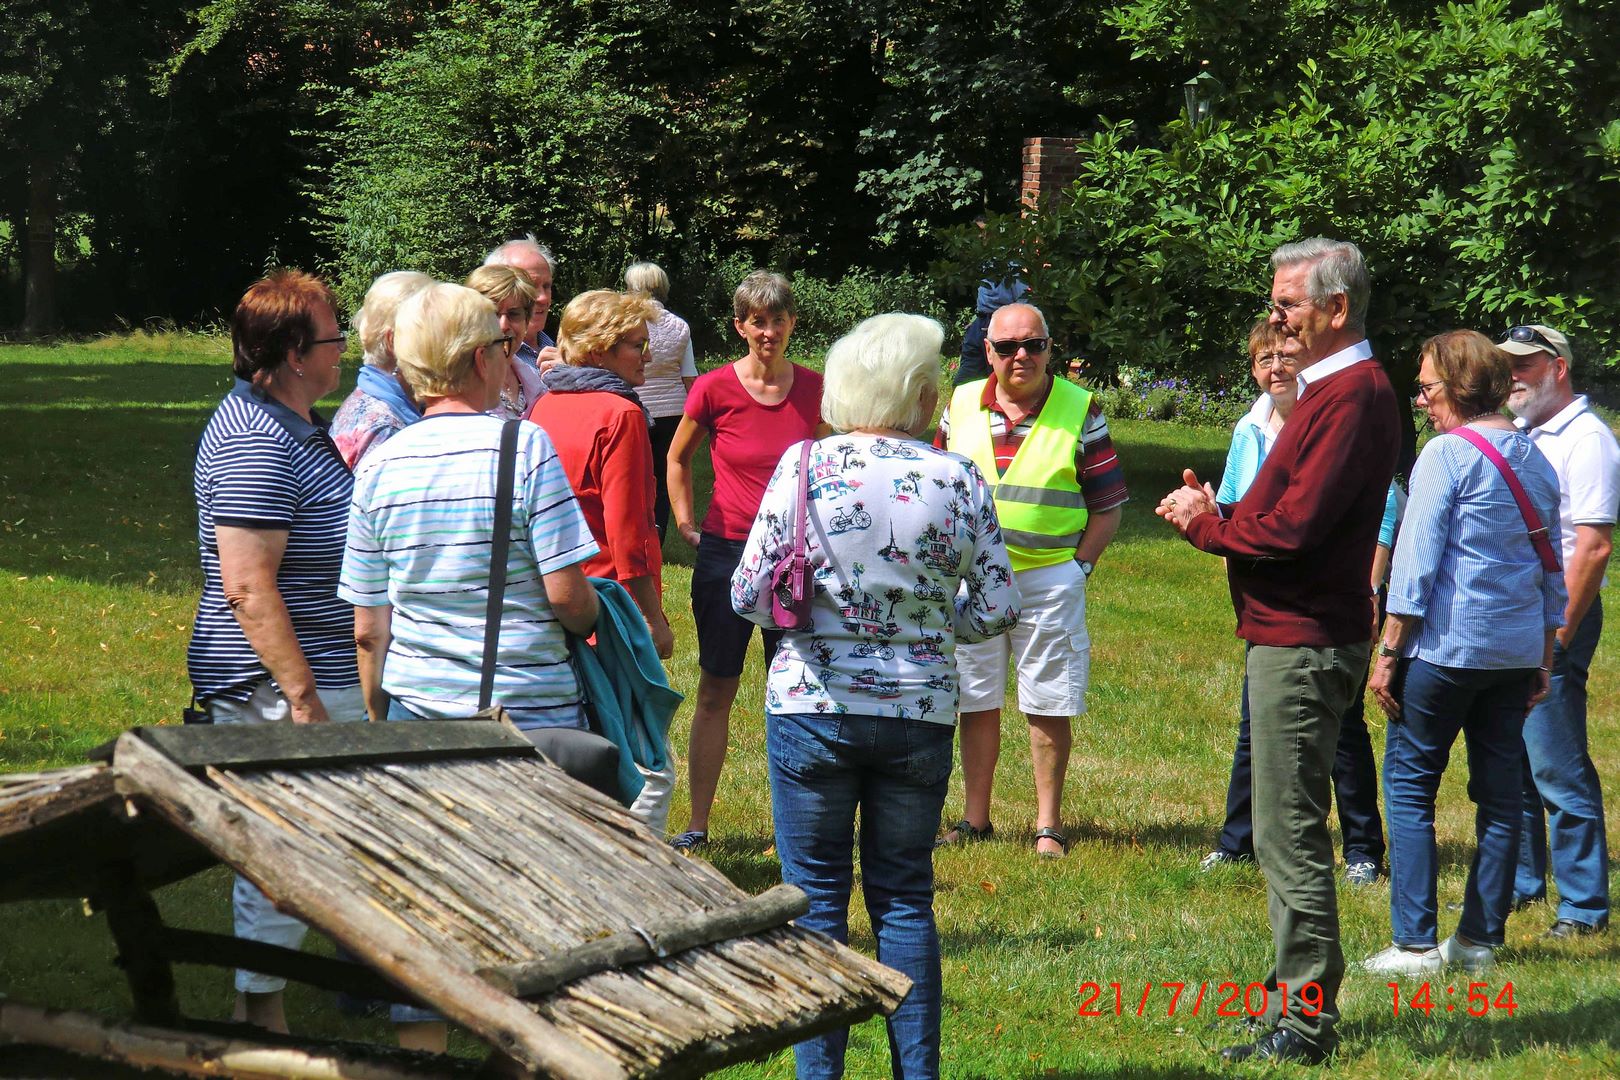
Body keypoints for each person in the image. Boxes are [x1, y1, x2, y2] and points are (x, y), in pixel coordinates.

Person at [732, 313, 1019, 1079]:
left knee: (817, 902)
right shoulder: (956, 477)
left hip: (811, 710)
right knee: (902, 900)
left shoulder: (802, 467)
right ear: (922, 396)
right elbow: (995, 606)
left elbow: (749, 594)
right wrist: (927, 625)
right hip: (918, 712)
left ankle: (819, 1075)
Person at [1156, 238, 1400, 1064]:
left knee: (1288, 834)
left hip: (1304, 641)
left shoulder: (1352, 396)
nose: (1276, 316)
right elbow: (1283, 502)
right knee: (1282, 827)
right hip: (1294, 634)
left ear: (1335, 310)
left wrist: (1207, 526)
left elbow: (1292, 528)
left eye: (1289, 302)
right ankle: (1295, 993)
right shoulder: (1333, 391)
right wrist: (1217, 512)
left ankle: (1303, 1021)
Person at [187, 270, 366, 1034]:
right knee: (277, 846)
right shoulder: (257, 438)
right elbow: (249, 588)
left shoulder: (293, 421)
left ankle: (275, 1003)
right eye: (334, 337)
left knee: (311, 843)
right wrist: (301, 700)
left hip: (314, 674)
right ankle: (260, 1018)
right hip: (278, 684)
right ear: (296, 353)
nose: (344, 349)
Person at [1361, 330, 1564, 975]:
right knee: (1502, 796)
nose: (1419, 400)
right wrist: (1544, 652)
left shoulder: (1445, 456)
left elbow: (1416, 564)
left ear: (1457, 387)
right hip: (1511, 654)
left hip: (1445, 652)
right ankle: (1479, 941)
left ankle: (1414, 943)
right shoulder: (1536, 459)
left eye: (1425, 388)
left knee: (1412, 787)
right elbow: (1550, 568)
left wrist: (1389, 649)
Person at [1202, 318, 1396, 887]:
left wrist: (1373, 586)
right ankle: (1236, 841)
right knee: (1253, 727)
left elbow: (1373, 513)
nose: (1275, 369)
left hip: (1325, 610)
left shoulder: (1337, 413)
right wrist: (1209, 516)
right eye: (1263, 360)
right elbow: (1236, 508)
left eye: (1285, 357)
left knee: (1345, 730)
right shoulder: (1251, 429)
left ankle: (1363, 848)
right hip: (1272, 606)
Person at [934, 301, 1127, 858]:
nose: (1021, 356)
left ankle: (1048, 825)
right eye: (1008, 347)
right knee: (975, 698)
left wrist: (1078, 569)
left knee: (1048, 700)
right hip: (972, 582)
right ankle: (976, 819)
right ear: (987, 351)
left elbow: (1108, 506)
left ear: (1049, 348)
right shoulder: (961, 403)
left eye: (1034, 345)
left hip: (1048, 581)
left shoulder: (1080, 409)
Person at [666, 271, 823, 851]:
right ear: (740, 326)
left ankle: (798, 829)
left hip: (794, 558)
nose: (769, 331)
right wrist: (685, 521)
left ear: (792, 325)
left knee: (799, 689)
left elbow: (831, 462)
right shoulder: (712, 388)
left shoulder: (815, 388)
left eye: (778, 320)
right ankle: (698, 824)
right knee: (716, 687)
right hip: (727, 550)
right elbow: (678, 458)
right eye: (758, 321)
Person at [1503, 323, 1617, 937]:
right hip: (1516, 613)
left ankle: (1583, 907)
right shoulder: (1526, 436)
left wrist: (1558, 640)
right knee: (1512, 755)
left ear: (1559, 368)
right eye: (1508, 365)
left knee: (1554, 759)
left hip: (1557, 614)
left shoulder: (1588, 439)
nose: (1512, 375)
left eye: (1525, 364)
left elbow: (1594, 547)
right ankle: (1523, 884)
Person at [528, 289, 674, 658]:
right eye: (637, 346)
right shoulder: (620, 414)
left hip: (554, 594)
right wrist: (652, 619)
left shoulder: (545, 405)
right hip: (610, 606)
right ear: (597, 352)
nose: (649, 356)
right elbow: (629, 532)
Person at [623, 261, 698, 540]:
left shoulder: (626, 322)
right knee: (665, 476)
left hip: (634, 407)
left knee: (633, 475)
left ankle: (632, 531)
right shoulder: (680, 326)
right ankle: (658, 535)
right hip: (673, 414)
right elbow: (689, 375)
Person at [330, 270, 434, 468]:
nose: (444, 342)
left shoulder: (389, 404)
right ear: (394, 342)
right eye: (432, 331)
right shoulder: (386, 430)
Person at [465, 264, 543, 420]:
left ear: (526, 321)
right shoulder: (460, 385)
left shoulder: (537, 384)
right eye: (493, 314)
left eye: (514, 314)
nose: (503, 325)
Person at [953, 256, 1029, 387]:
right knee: (966, 379)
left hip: (1001, 324)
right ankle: (957, 404)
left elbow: (1023, 301)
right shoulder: (988, 258)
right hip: (981, 322)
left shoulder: (1012, 263)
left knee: (999, 376)